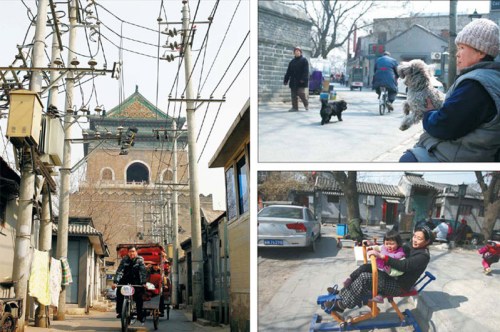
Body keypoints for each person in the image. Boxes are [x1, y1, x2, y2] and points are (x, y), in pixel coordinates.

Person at [400, 18, 500, 162]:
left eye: (462, 48)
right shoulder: (490, 78)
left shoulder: (475, 85)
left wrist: (428, 113)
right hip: (475, 150)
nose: (457, 54)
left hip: (462, 154)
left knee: (408, 160)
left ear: (481, 52)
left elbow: (444, 126)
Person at [324, 226, 433, 313]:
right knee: (365, 268)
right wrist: (374, 246)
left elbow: (403, 265)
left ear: (427, 241)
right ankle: (343, 293)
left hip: (399, 285)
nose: (415, 240)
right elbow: (393, 247)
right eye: (414, 236)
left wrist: (382, 257)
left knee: (365, 278)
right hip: (391, 275)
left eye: (419, 238)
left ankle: (342, 305)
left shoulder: (423, 256)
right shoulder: (411, 245)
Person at [328, 230, 406, 303]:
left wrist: (390, 271)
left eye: (392, 244)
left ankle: (380, 295)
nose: (389, 246)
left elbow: (398, 266)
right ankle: (350, 280)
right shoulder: (384, 247)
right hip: (378, 267)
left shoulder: (400, 253)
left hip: (387, 273)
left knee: (380, 277)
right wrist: (371, 245)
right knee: (364, 267)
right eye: (387, 243)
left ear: (398, 243)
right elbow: (378, 247)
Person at [113, 246, 147, 323]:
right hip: (125, 279)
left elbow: (142, 272)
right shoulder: (124, 259)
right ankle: (120, 312)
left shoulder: (140, 260)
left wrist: (143, 282)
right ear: (128, 253)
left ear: (136, 252)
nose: (132, 253)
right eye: (130, 251)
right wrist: (115, 282)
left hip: (136, 280)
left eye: (133, 251)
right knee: (119, 291)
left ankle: (139, 314)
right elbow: (119, 271)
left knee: (139, 296)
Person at [283, 46, 309, 112]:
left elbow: (306, 71)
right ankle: (295, 107)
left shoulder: (304, 60)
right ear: (294, 53)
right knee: (293, 95)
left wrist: (303, 79)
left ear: (300, 52)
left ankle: (306, 104)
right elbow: (288, 72)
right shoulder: (292, 62)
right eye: (295, 51)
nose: (297, 52)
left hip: (301, 81)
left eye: (298, 51)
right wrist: (286, 80)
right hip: (293, 81)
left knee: (301, 93)